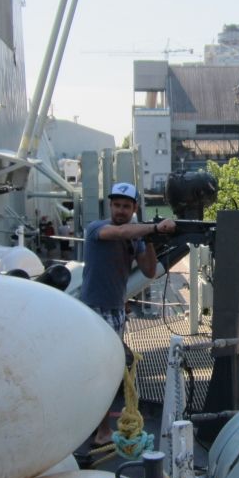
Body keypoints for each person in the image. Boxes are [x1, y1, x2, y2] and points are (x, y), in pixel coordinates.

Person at [81, 183, 176, 445]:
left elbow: (148, 270)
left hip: (115, 309)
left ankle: (96, 426)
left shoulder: (135, 237)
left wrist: (150, 239)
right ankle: (101, 431)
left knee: (111, 368)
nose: (120, 211)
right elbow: (117, 233)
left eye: (126, 206)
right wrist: (154, 228)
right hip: (94, 308)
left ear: (134, 209)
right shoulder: (97, 229)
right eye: (116, 205)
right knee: (102, 369)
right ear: (110, 207)